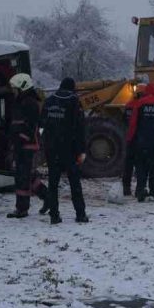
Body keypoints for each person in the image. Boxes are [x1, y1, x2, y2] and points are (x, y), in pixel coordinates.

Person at [40, 77, 88, 224]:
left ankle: (54, 215)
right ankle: (80, 214)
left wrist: (46, 144)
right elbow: (80, 127)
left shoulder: (49, 101)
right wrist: (81, 149)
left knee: (53, 183)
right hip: (69, 149)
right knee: (74, 182)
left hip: (52, 148)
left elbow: (42, 125)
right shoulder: (74, 101)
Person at [7, 73, 45, 219]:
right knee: (25, 176)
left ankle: (22, 209)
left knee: (23, 176)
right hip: (21, 144)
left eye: (15, 88)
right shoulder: (21, 101)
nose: (13, 91)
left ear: (22, 87)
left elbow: (31, 125)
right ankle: (46, 197)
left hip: (27, 145)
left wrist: (21, 138)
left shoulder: (29, 102)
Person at [121, 85, 143, 196]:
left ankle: (126, 187)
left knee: (128, 165)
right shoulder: (141, 106)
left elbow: (124, 121)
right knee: (140, 165)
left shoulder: (129, 105)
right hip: (139, 139)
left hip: (129, 139)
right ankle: (139, 189)